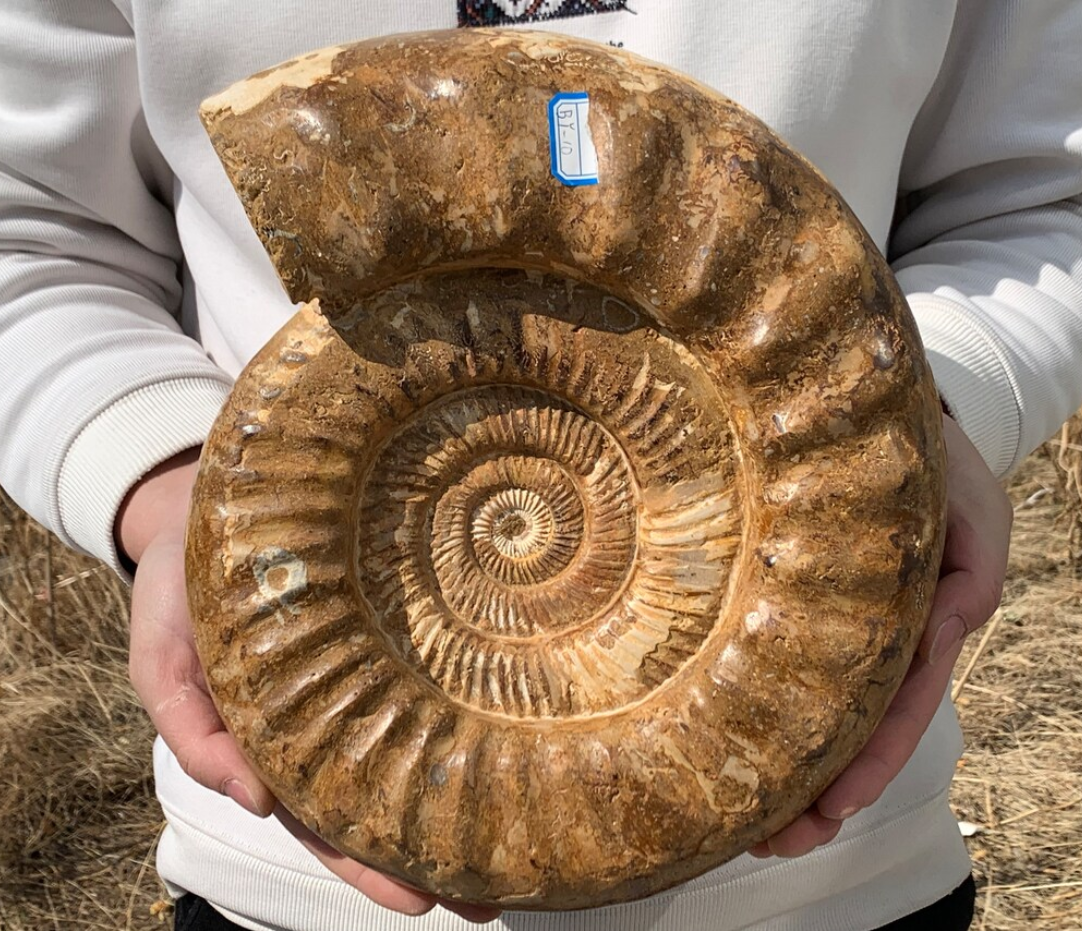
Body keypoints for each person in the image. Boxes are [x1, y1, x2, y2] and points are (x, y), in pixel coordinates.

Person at [1, 1, 1079, 929]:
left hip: (836, 862)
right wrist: (161, 478)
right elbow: (30, 228)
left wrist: (914, 414)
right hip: (294, 842)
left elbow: (1041, 197)